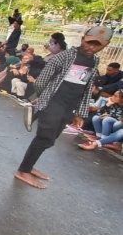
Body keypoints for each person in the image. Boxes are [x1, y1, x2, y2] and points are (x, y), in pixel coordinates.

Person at [15, 26, 112, 189]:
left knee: (50, 140)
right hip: (53, 104)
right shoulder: (64, 56)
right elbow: (40, 82)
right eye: (89, 43)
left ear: (105, 45)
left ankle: (29, 165)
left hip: (69, 107)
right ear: (83, 39)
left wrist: (80, 112)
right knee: (44, 137)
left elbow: (86, 87)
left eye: (97, 45)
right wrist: (45, 99)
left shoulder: (95, 61)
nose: (91, 47)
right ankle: (23, 171)